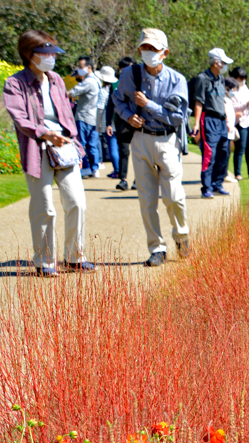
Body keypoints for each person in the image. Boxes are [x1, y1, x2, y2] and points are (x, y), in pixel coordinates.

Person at [3, 30, 93, 276]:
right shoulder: (15, 83)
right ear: (29, 54)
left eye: (53, 52)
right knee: (44, 207)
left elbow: (65, 113)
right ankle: (44, 262)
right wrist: (44, 133)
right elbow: (19, 118)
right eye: (45, 52)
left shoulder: (56, 80)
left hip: (64, 147)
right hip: (37, 147)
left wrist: (71, 138)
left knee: (77, 202)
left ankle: (75, 256)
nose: (51, 57)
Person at [113, 27, 190, 268]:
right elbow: (117, 100)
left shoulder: (177, 80)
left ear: (165, 52)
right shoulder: (129, 74)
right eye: (144, 48)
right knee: (147, 200)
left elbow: (178, 117)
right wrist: (128, 116)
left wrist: (149, 105)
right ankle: (157, 248)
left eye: (154, 49)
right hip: (141, 139)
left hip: (167, 140)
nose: (148, 52)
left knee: (174, 197)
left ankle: (181, 236)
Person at [192, 47, 233, 198]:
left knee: (224, 153)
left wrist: (227, 120)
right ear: (216, 63)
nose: (225, 65)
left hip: (222, 121)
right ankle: (206, 187)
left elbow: (222, 101)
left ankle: (218, 184)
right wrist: (196, 124)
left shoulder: (221, 79)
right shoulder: (203, 78)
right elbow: (198, 102)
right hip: (208, 120)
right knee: (210, 154)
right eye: (223, 62)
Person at [67, 55, 102, 177]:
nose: (78, 69)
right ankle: (95, 168)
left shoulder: (88, 81)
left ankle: (85, 167)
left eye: (81, 67)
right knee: (93, 144)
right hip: (95, 117)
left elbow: (72, 92)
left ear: (89, 67)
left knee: (81, 143)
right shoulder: (97, 80)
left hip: (84, 116)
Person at [108, 57, 135, 191]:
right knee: (124, 151)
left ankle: (138, 180)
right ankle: (123, 179)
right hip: (121, 123)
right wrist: (108, 123)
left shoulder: (139, 82)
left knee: (138, 151)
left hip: (137, 122)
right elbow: (110, 105)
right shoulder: (115, 85)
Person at [93, 65, 118, 178]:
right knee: (119, 148)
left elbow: (100, 109)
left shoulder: (103, 91)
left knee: (112, 146)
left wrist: (97, 123)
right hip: (118, 121)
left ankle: (116, 170)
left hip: (106, 123)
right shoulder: (116, 89)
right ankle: (120, 170)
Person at [223, 77, 240, 183]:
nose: (234, 92)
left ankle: (224, 174)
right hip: (224, 130)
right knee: (224, 154)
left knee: (227, 153)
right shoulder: (222, 98)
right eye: (232, 89)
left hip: (229, 130)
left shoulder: (228, 98)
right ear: (226, 88)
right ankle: (222, 175)